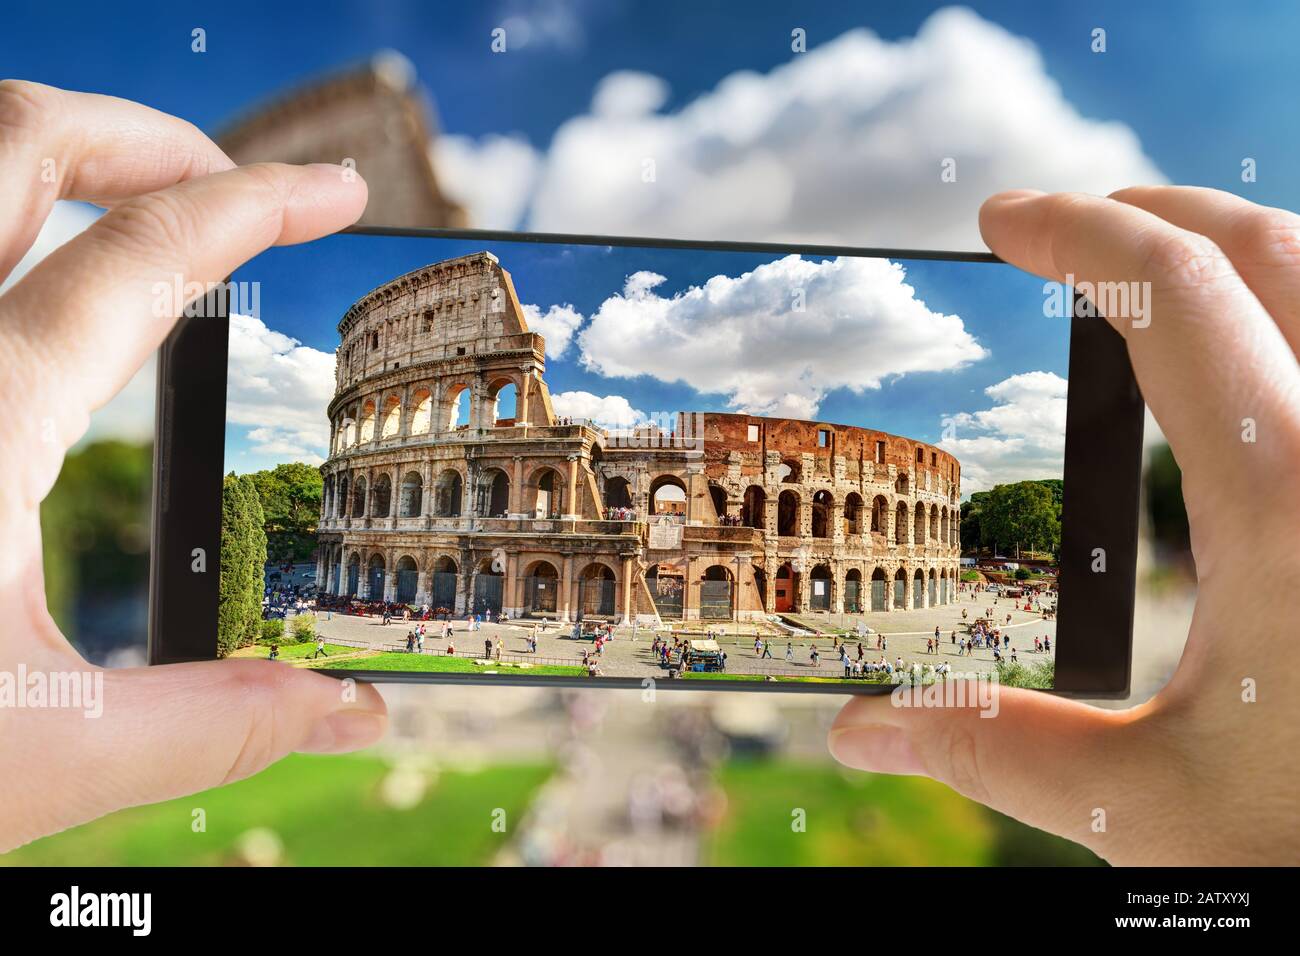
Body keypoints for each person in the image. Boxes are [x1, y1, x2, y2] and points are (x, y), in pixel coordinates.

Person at [0, 89, 1292, 867]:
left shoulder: (661, 480)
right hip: (445, 490)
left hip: (488, 499)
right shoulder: (474, 424)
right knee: (439, 513)